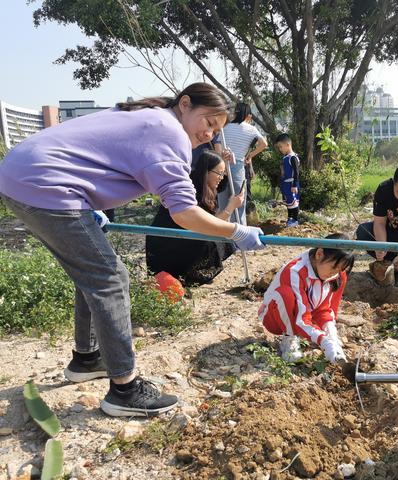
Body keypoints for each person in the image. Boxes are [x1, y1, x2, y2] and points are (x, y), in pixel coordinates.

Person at [0, 82, 265, 418]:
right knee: (110, 279)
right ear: (185, 104)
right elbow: (183, 212)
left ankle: (87, 359)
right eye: (208, 122)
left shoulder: (150, 116)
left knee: (93, 270)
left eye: (217, 129)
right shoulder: (168, 132)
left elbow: (98, 154)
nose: (210, 134)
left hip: (25, 174)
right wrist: (235, 230)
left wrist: (88, 201)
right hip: (45, 185)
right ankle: (124, 390)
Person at [146, 151, 245, 285]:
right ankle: (190, 273)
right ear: (206, 172)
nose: (222, 177)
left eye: (223, 173)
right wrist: (230, 207)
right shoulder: (192, 191)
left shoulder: (202, 182)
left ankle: (195, 270)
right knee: (213, 239)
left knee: (221, 239)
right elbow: (211, 226)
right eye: (219, 173)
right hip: (167, 243)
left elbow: (221, 183)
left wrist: (226, 165)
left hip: (179, 236)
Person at [258, 233, 355, 363]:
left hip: (308, 311)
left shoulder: (336, 275)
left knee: (341, 278)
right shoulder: (295, 271)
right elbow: (301, 318)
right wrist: (323, 341)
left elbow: (327, 309)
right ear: (319, 254)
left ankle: (313, 334)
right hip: (275, 318)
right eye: (333, 267)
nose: (335, 273)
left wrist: (331, 335)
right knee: (285, 294)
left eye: (340, 269)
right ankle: (289, 339)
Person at [214, 102, 268, 225]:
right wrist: (250, 155)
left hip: (222, 166)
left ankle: (224, 238)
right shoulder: (251, 129)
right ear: (247, 114)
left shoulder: (225, 127)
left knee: (223, 205)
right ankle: (239, 239)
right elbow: (264, 144)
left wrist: (221, 162)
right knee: (239, 205)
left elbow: (217, 146)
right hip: (238, 167)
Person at [274, 133, 301, 227]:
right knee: (289, 203)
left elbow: (296, 172)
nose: (280, 149)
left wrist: (295, 185)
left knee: (294, 203)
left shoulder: (292, 157)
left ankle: (295, 220)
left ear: (287, 145)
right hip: (286, 184)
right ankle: (290, 218)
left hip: (291, 184)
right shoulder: (286, 157)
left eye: (281, 147)